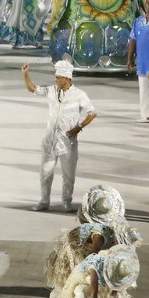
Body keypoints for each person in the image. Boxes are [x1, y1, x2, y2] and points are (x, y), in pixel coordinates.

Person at [23, 60, 97, 212]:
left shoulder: (79, 95)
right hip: (50, 141)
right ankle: (44, 201)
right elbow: (33, 89)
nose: (55, 79)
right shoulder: (51, 90)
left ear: (67, 78)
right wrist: (25, 74)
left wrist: (79, 127)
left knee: (68, 175)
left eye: (58, 77)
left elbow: (92, 112)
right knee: (45, 173)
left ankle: (66, 202)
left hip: (67, 143)